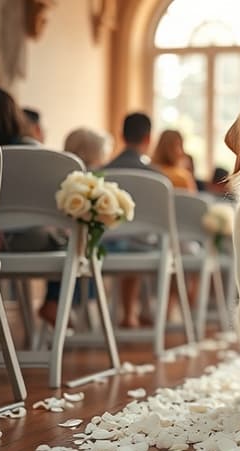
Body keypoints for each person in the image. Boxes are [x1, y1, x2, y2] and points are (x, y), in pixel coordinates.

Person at [36, 127, 114, 325]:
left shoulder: (51, 174)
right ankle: (58, 304)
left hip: (44, 236)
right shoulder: (92, 180)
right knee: (81, 250)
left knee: (75, 247)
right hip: (67, 242)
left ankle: (59, 304)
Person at [102, 112, 158, 328]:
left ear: (121, 135)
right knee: (141, 239)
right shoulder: (156, 177)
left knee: (129, 238)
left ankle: (129, 313)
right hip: (143, 246)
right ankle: (134, 313)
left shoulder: (103, 172)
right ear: (148, 138)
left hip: (107, 245)